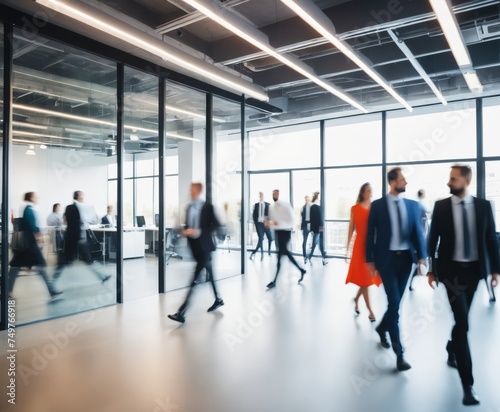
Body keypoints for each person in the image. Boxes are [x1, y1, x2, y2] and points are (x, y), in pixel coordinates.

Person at [427, 165, 499, 406]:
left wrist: (496, 269)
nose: (449, 182)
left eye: (454, 179)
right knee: (464, 322)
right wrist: (431, 270)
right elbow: (432, 239)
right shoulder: (441, 206)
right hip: (451, 274)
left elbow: (491, 238)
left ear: (466, 181)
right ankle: (468, 385)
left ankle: (451, 347)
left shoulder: (484, 206)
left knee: (461, 322)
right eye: (449, 178)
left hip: (475, 273)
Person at [366, 167, 427, 371]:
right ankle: (400, 354)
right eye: (402, 179)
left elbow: (417, 233)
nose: (406, 183)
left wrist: (422, 258)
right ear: (392, 182)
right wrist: (370, 261)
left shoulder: (412, 206)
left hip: (406, 261)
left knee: (395, 304)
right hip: (387, 261)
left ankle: (382, 328)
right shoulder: (378, 206)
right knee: (394, 303)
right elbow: (369, 235)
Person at [168, 183, 224, 323]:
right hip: (196, 248)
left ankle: (182, 312)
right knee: (210, 274)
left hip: (205, 247)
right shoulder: (189, 207)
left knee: (194, 279)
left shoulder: (208, 207)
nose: (190, 192)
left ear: (199, 191)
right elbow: (189, 226)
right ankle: (219, 299)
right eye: (190, 189)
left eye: (192, 189)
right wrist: (184, 231)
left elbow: (216, 225)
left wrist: (199, 232)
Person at [8, 192, 62, 300]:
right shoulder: (29, 209)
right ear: (31, 198)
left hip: (23, 244)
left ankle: (8, 291)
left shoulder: (24, 208)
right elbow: (32, 226)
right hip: (29, 244)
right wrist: (38, 235)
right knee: (40, 266)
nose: (37, 198)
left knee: (15, 267)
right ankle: (52, 291)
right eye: (35, 196)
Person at [53, 191, 111, 284]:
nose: (83, 197)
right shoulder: (81, 208)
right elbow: (90, 221)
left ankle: (102, 276)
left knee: (79, 260)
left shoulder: (69, 207)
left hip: (72, 238)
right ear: (78, 196)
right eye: (82, 196)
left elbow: (65, 221)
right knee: (80, 260)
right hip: (78, 239)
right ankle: (52, 283)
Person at [345, 183, 381, 322]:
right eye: (367, 190)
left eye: (371, 190)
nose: (370, 192)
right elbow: (351, 229)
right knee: (365, 281)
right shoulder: (355, 208)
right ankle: (371, 312)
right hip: (359, 246)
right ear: (362, 192)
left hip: (371, 246)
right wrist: (347, 249)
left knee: (365, 280)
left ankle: (356, 300)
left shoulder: (374, 208)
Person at [266, 189, 306, 289]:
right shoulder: (272, 207)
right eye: (273, 194)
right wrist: (270, 223)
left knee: (281, 255)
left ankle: (274, 281)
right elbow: (272, 220)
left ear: (279, 195)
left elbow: (292, 220)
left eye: (276, 194)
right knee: (284, 254)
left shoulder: (285, 205)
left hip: (285, 232)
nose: (274, 196)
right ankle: (301, 270)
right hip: (277, 232)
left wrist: (277, 222)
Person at [409, 189, 431, 291]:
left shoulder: (415, 205)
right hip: (421, 233)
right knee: (421, 255)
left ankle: (417, 272)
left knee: (417, 257)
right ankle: (420, 271)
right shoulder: (423, 205)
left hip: (416, 234)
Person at [249, 192, 273, 261]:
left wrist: (268, 221)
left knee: (270, 238)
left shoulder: (268, 205)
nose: (261, 197)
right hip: (259, 224)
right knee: (261, 239)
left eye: (262, 195)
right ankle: (261, 254)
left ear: (263, 196)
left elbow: (270, 215)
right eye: (260, 195)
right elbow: (254, 216)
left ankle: (268, 250)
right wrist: (255, 225)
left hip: (266, 224)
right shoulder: (256, 205)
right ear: (259, 196)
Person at [307, 191, 328, 265]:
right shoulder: (318, 207)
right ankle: (311, 257)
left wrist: (312, 229)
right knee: (316, 244)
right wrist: (321, 227)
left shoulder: (312, 207)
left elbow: (311, 219)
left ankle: (321, 259)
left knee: (317, 244)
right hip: (318, 229)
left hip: (315, 229)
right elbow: (320, 218)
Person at [300, 195, 312, 263]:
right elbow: (302, 217)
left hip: (311, 225)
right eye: (306, 199)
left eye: (308, 199)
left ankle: (309, 256)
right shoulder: (303, 207)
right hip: (305, 226)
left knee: (314, 242)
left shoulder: (311, 207)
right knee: (304, 241)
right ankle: (305, 257)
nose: (306, 200)